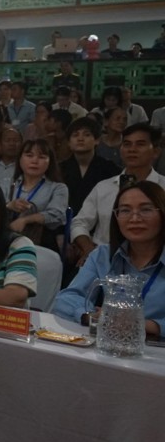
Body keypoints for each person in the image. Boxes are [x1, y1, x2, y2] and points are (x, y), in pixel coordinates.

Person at [55, 181, 165, 335]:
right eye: (125, 210)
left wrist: (143, 324)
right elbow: (66, 298)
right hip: (110, 341)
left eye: (145, 209)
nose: (134, 218)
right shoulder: (103, 255)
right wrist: (91, 316)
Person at [72, 123, 165, 263]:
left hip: (154, 261)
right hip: (104, 258)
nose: (132, 150)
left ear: (156, 152)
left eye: (140, 144)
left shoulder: (163, 187)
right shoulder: (104, 187)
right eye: (127, 144)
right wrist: (89, 249)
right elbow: (79, 223)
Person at [6, 139, 69, 248]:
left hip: (42, 242)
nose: (34, 161)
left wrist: (26, 220)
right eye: (29, 155)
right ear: (20, 158)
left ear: (50, 162)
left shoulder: (58, 188)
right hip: (6, 240)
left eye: (42, 157)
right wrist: (9, 205)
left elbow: (57, 215)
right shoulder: (6, 183)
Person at [60, 117, 121, 216]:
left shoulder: (110, 169)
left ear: (97, 140)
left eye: (87, 135)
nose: (80, 139)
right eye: (75, 135)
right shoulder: (59, 169)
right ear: (69, 143)